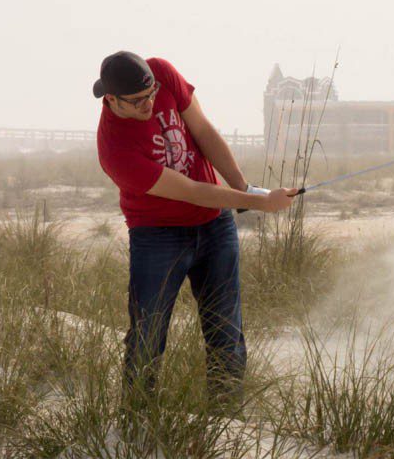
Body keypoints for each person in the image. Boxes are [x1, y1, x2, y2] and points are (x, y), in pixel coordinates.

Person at [93, 50, 296, 403]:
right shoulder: (114, 149)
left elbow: (202, 130)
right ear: (112, 100)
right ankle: (138, 421)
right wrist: (261, 203)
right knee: (148, 335)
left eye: (152, 94)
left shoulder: (162, 72)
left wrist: (243, 187)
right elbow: (190, 192)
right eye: (139, 101)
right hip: (158, 236)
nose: (150, 104)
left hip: (216, 227)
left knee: (225, 331)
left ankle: (228, 418)